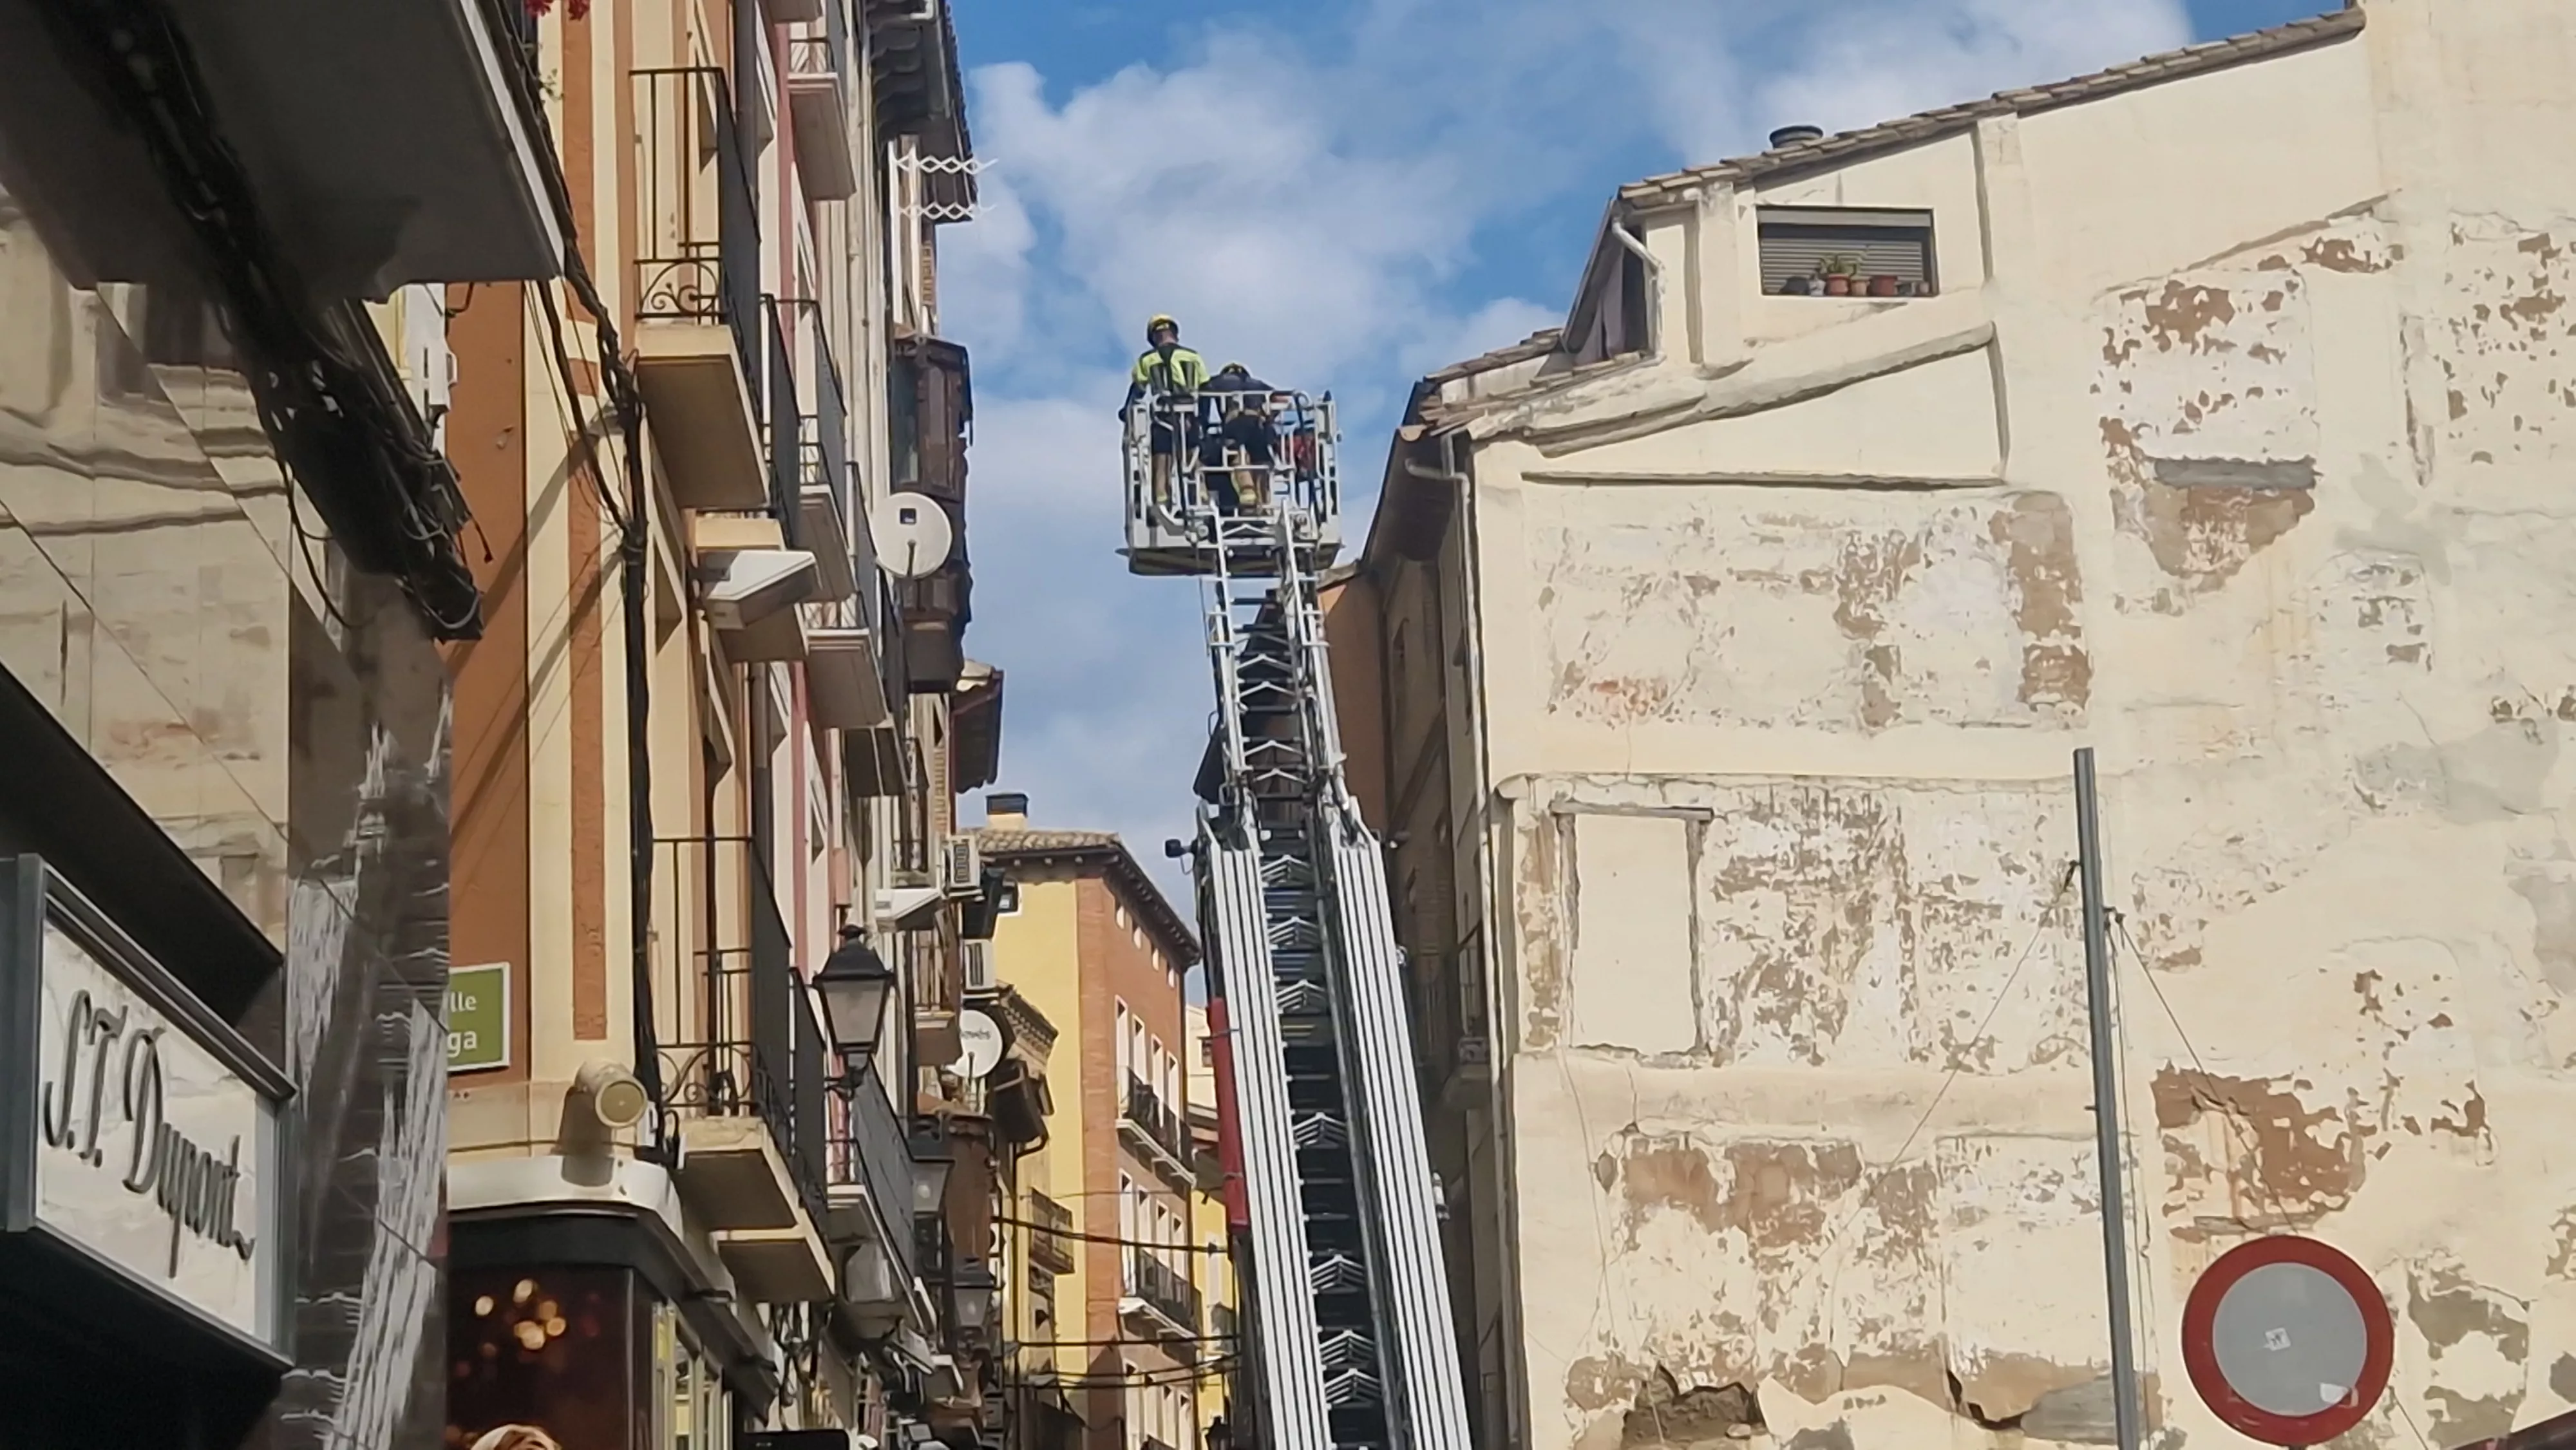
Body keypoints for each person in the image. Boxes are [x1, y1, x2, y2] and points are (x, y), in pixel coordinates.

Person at [1126, 315, 1208, 513]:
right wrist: (1203, 420)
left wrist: (1126, 411)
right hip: (1188, 416)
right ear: (1175, 334)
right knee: (1193, 459)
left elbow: (1138, 389)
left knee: (1161, 459)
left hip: (1163, 417)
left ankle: (1162, 503)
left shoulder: (1147, 359)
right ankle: (1201, 500)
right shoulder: (1193, 356)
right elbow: (1205, 388)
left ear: (1154, 338)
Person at [1200, 362, 1279, 514]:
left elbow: (1202, 397)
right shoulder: (1258, 384)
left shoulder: (1217, 381)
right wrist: (1268, 416)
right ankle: (1264, 504)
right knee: (1261, 460)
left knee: (1237, 454)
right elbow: (1281, 399)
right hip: (1259, 424)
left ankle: (1248, 495)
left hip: (1235, 422)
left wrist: (1203, 426)